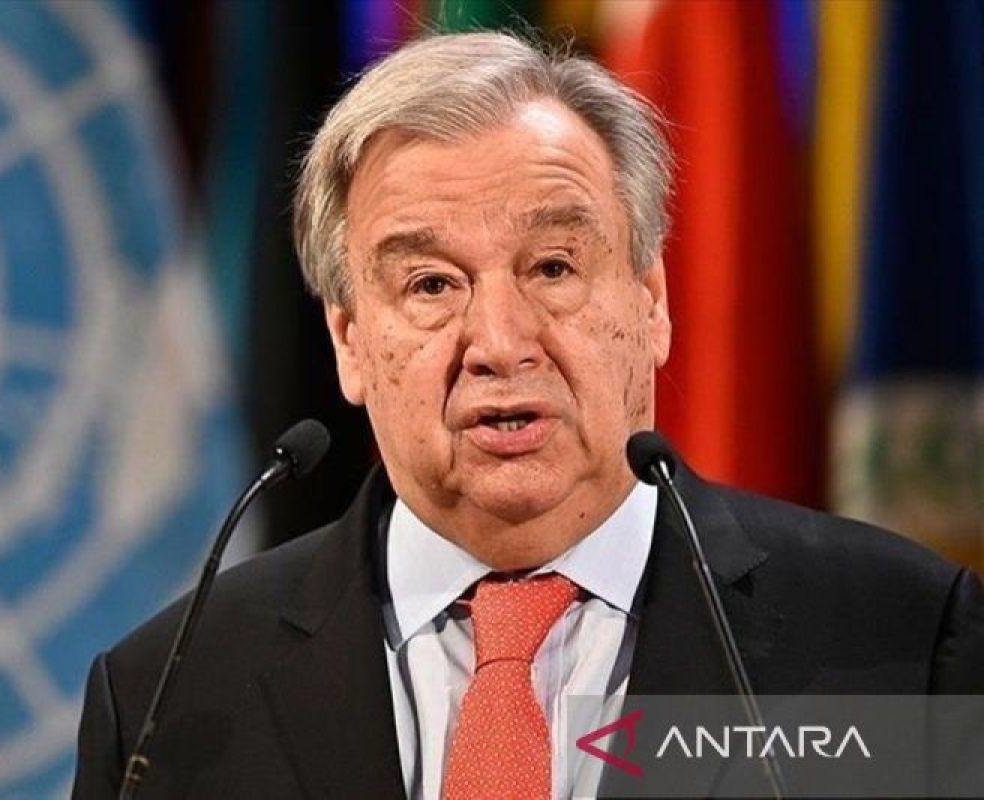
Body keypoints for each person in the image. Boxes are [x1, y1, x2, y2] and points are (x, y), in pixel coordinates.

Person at [72, 32, 983, 799]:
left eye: (553, 267)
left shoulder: (901, 639)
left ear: (651, 303)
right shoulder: (168, 698)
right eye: (431, 284)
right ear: (348, 340)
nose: (501, 343)